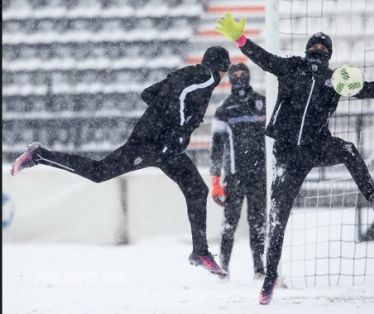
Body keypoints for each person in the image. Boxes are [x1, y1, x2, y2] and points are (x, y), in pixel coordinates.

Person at [216, 13, 374, 304]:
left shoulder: (337, 80)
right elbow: (262, 57)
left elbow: (371, 89)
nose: (318, 50)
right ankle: (270, 276)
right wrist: (240, 39)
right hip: (287, 155)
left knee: (348, 149)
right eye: (315, 46)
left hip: (316, 147)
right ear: (307, 49)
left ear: (330, 55)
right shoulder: (291, 67)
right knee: (277, 219)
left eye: (324, 49)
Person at [10, 46, 233, 278]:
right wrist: (175, 132)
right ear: (222, 67)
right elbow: (179, 95)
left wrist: (163, 121)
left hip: (162, 145)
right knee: (98, 172)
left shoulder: (187, 72)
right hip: (153, 143)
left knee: (196, 189)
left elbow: (148, 93)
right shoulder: (207, 77)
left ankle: (200, 251)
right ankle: (38, 155)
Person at [210, 63, 267, 279]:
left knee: (258, 223)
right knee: (229, 223)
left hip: (260, 175)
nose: (240, 77)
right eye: (236, 74)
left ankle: (259, 269)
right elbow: (216, 146)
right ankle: (222, 269)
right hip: (234, 176)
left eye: (244, 74)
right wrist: (215, 180)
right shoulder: (223, 110)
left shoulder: (262, 103)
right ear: (230, 79)